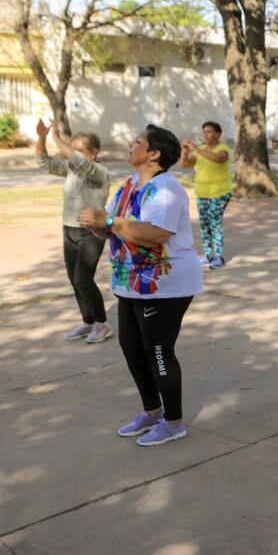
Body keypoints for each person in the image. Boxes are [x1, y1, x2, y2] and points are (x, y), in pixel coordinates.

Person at [78, 125, 203, 446]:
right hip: (131, 284)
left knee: (158, 351)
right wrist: (98, 225)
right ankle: (152, 412)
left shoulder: (166, 190)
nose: (129, 144)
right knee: (131, 349)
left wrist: (107, 221)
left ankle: (173, 421)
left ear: (153, 154)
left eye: (137, 142)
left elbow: (153, 234)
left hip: (165, 285)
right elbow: (116, 229)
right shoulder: (130, 186)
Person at [35, 119, 113, 344]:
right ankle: (89, 322)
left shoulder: (99, 171)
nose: (72, 155)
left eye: (78, 150)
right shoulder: (72, 168)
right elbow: (44, 162)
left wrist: (58, 139)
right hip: (69, 228)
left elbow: (79, 161)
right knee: (74, 278)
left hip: (91, 231)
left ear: (93, 153)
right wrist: (42, 137)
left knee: (83, 278)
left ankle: (103, 323)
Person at [179, 121, 232, 269]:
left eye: (209, 132)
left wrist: (195, 148)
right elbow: (185, 164)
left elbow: (218, 159)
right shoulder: (201, 150)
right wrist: (184, 151)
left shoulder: (223, 149)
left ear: (218, 134)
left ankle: (218, 257)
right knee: (204, 225)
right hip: (203, 194)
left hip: (219, 193)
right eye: (204, 132)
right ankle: (208, 255)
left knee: (215, 223)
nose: (205, 134)